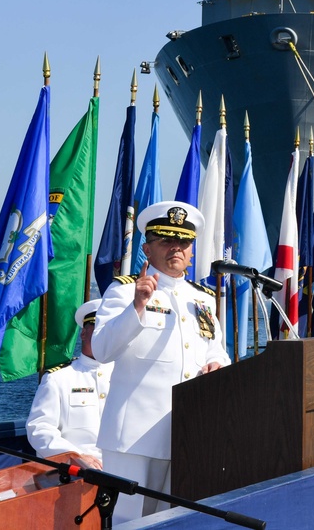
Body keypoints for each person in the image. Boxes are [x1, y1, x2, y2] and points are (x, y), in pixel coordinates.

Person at [91, 201, 231, 523]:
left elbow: (215, 350)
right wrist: (137, 307)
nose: (176, 248)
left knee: (173, 523)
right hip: (133, 440)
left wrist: (216, 365)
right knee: (127, 523)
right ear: (147, 248)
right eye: (166, 240)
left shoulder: (203, 299)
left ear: (192, 250)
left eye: (183, 242)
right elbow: (101, 349)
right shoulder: (124, 291)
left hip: (185, 434)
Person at [26, 299, 113, 469]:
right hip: (78, 474)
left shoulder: (126, 376)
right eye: (96, 329)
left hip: (125, 473)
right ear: (83, 334)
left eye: (107, 330)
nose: (101, 336)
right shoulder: (59, 379)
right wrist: (75, 456)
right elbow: (39, 428)